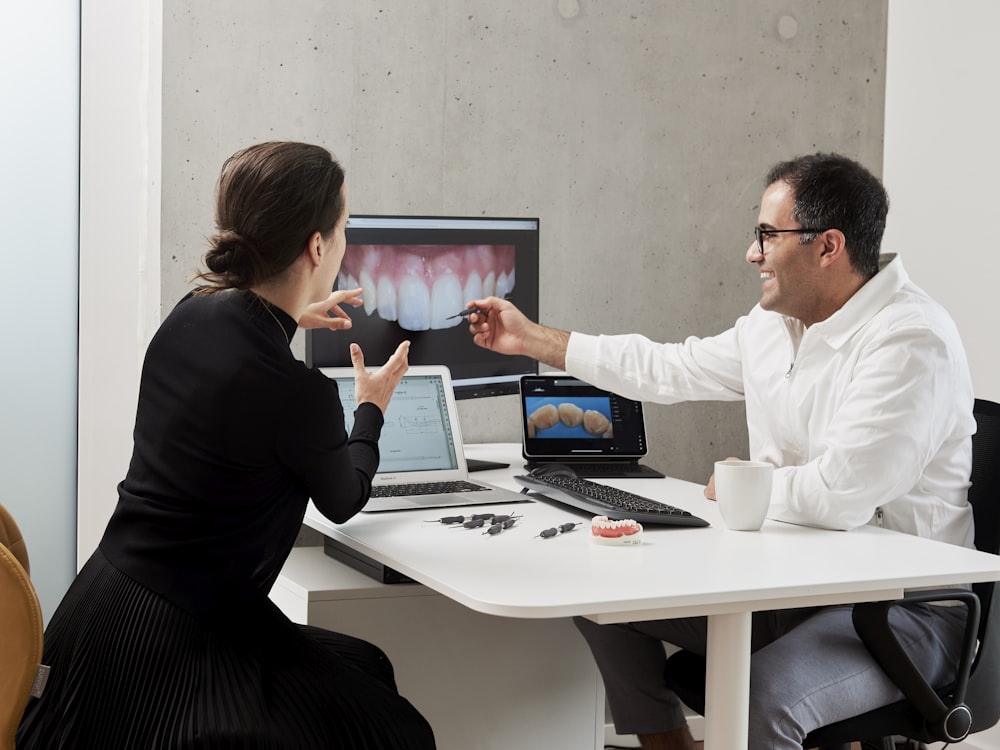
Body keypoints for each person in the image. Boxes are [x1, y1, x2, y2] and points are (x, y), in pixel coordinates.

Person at [463, 153, 976, 750]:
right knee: (599, 599)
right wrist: (532, 339)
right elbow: (666, 367)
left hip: (901, 611)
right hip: (799, 583)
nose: (751, 253)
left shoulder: (910, 339)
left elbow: (841, 495)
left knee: (761, 700)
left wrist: (742, 483)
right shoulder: (774, 325)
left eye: (766, 235)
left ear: (827, 246)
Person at [18, 142, 436, 749]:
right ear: (318, 247)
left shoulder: (191, 313)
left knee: (367, 669)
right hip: (179, 647)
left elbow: (242, 353)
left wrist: (294, 315)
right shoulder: (299, 392)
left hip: (99, 610)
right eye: (343, 228)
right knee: (399, 732)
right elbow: (344, 498)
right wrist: (372, 406)